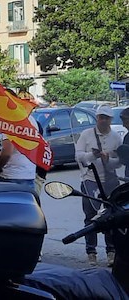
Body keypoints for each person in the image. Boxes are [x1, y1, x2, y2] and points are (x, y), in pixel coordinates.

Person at [75, 104, 122, 267]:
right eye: (100, 117)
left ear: (110, 120)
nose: (102, 120)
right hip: (90, 179)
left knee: (111, 216)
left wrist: (108, 160)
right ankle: (91, 252)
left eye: (106, 118)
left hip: (109, 180)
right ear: (97, 118)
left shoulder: (116, 137)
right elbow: (79, 157)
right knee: (90, 216)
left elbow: (119, 162)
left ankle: (111, 251)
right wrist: (92, 155)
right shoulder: (87, 134)